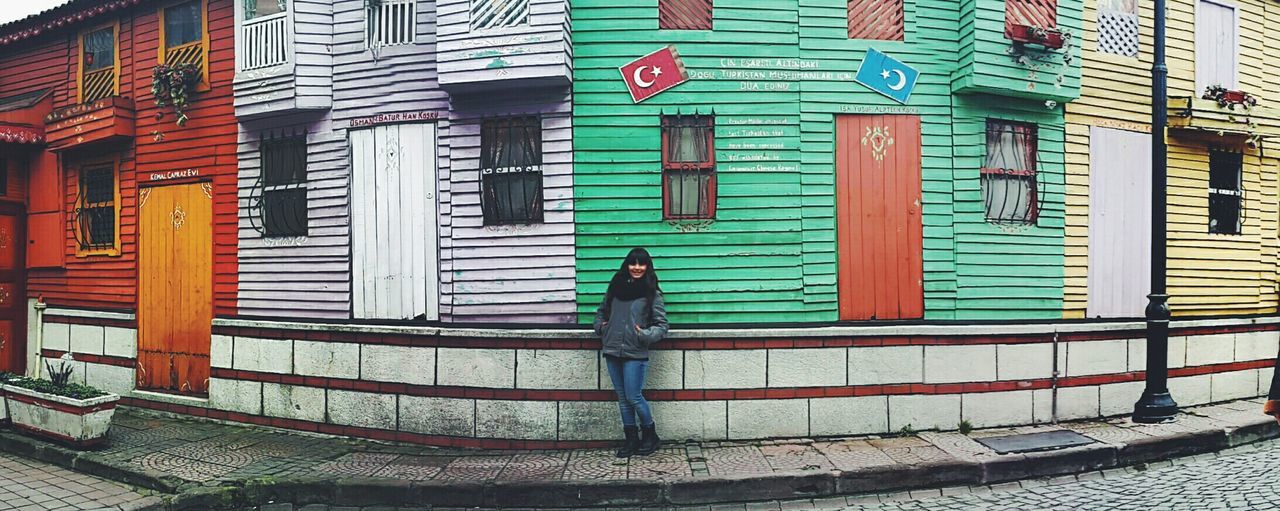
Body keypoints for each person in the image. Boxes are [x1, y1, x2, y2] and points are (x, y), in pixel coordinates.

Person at [594, 247, 669, 457]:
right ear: (627, 265)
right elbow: (600, 313)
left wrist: (644, 335)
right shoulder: (615, 288)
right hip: (612, 349)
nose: (637, 268)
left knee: (634, 396)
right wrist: (601, 328)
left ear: (647, 266)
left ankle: (650, 435)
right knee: (622, 397)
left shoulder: (652, 293)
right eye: (633, 263)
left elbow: (662, 325)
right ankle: (631, 439)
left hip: (635, 352)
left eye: (641, 263)